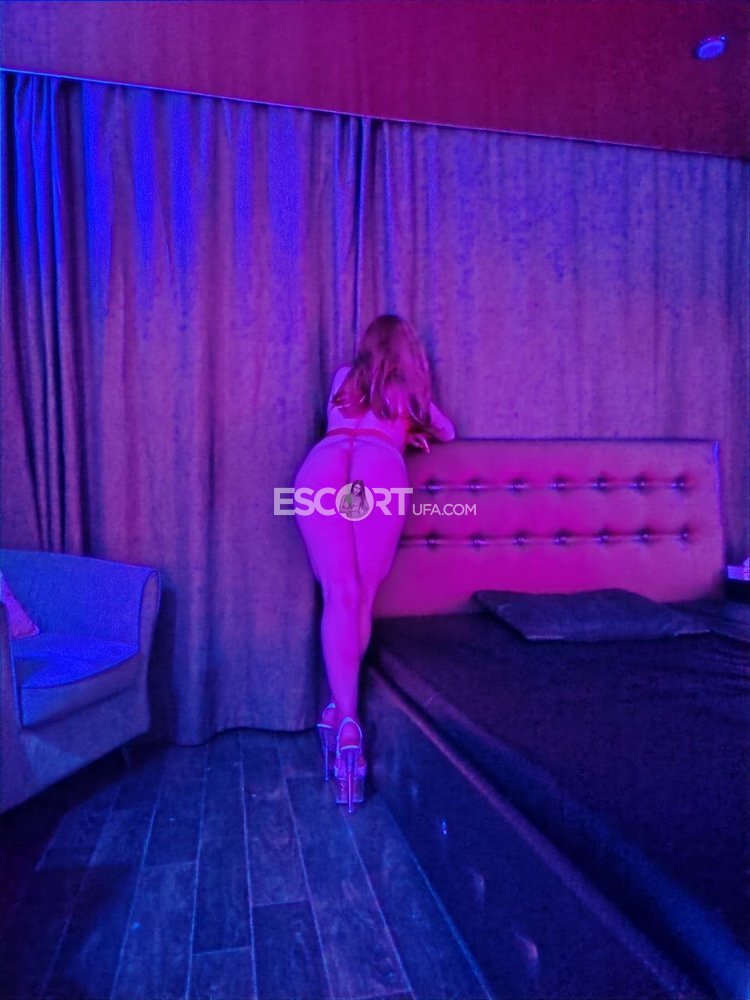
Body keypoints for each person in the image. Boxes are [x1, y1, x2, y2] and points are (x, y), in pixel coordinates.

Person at [294, 314, 455, 811]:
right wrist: (416, 430)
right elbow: (448, 433)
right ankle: (347, 728)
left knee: (338, 596)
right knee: (359, 599)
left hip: (322, 466)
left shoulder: (344, 379)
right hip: (377, 468)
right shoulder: (410, 393)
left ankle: (341, 721)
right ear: (411, 352)